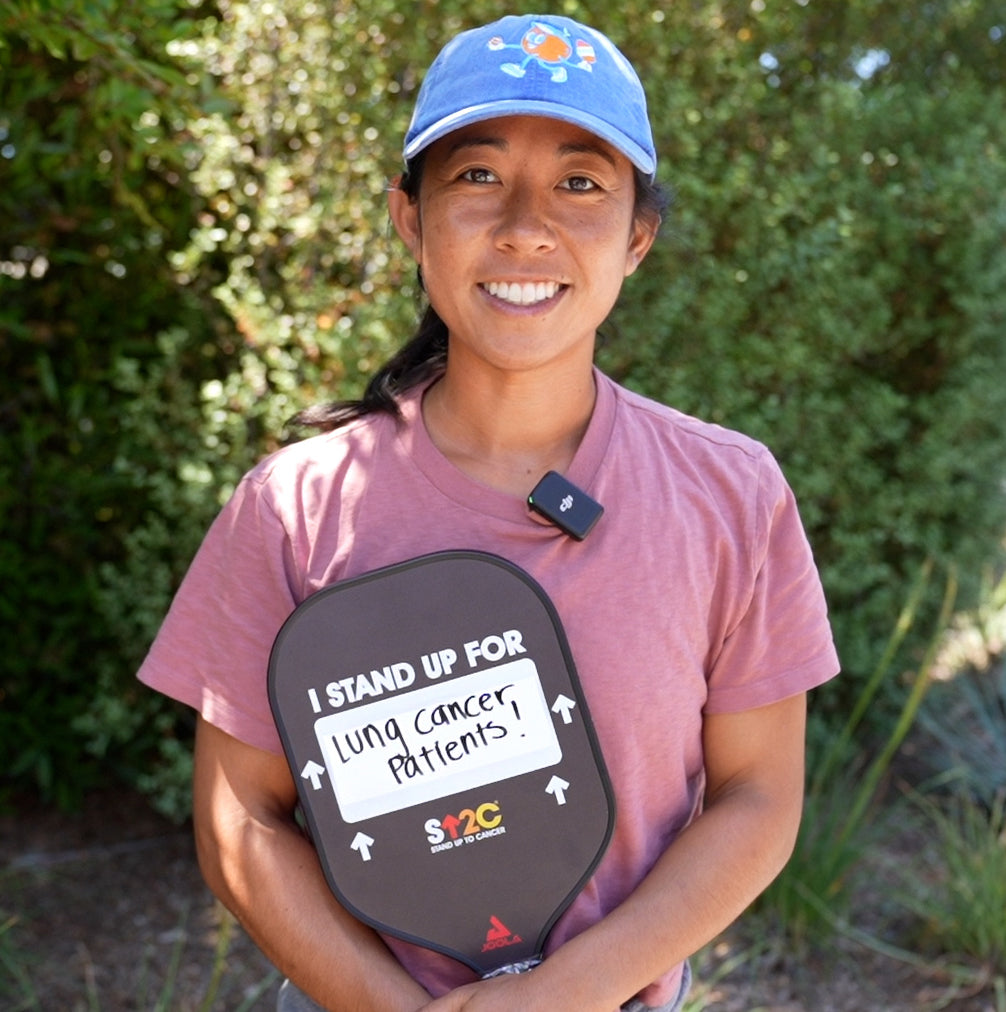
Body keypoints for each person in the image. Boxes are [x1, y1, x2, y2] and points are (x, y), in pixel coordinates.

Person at [137, 13, 840, 1012]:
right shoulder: (294, 508)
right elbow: (239, 817)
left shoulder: (729, 492)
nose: (523, 223)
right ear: (409, 216)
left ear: (637, 235)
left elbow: (757, 797)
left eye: (580, 182)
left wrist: (565, 993)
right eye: (475, 176)